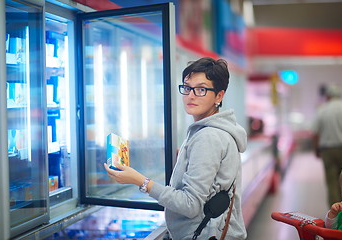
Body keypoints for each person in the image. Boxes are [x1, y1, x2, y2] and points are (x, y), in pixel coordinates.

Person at [104, 57, 247, 240]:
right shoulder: (210, 131)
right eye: (187, 87)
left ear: (219, 96)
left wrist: (141, 182)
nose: (191, 95)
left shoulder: (208, 136)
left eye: (201, 89)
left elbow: (190, 204)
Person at [311, 84, 342, 207]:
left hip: (328, 151)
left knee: (331, 182)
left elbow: (315, 133)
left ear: (328, 96)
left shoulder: (322, 110)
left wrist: (316, 149)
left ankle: (335, 211)